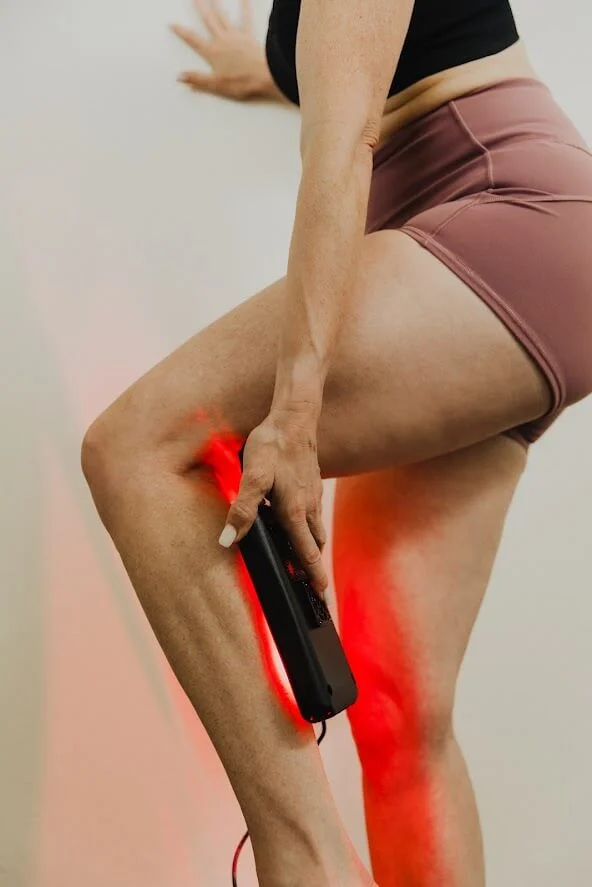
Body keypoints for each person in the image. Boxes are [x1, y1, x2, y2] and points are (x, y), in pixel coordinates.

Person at [81, 0, 592, 884]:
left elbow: (346, 138)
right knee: (396, 703)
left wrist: (296, 416)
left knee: (142, 447)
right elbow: (374, 64)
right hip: (507, 234)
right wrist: (274, 69)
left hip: (504, 208)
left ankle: (306, 862)